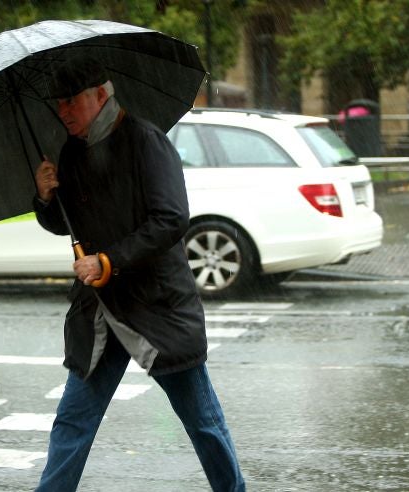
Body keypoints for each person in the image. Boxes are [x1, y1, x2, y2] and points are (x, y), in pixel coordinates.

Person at [32, 56, 246, 492]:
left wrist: (106, 261)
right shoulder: (72, 151)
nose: (64, 112)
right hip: (101, 311)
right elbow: (66, 224)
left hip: (157, 309)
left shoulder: (146, 141)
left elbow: (171, 220)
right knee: (72, 421)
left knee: (203, 424)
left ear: (101, 94)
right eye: (59, 104)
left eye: (71, 101)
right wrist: (45, 199)